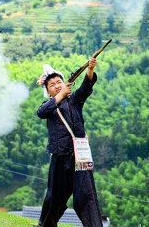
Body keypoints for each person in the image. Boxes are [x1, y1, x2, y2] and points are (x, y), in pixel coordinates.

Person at [35, 58, 103, 227]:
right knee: (54, 196)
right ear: (48, 91)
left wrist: (90, 69)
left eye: (59, 82)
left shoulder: (75, 100)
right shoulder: (49, 105)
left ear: (65, 83)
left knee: (86, 195)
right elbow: (41, 112)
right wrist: (60, 96)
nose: (57, 85)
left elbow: (86, 87)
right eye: (52, 85)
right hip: (59, 155)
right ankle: (46, 224)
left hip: (80, 157)